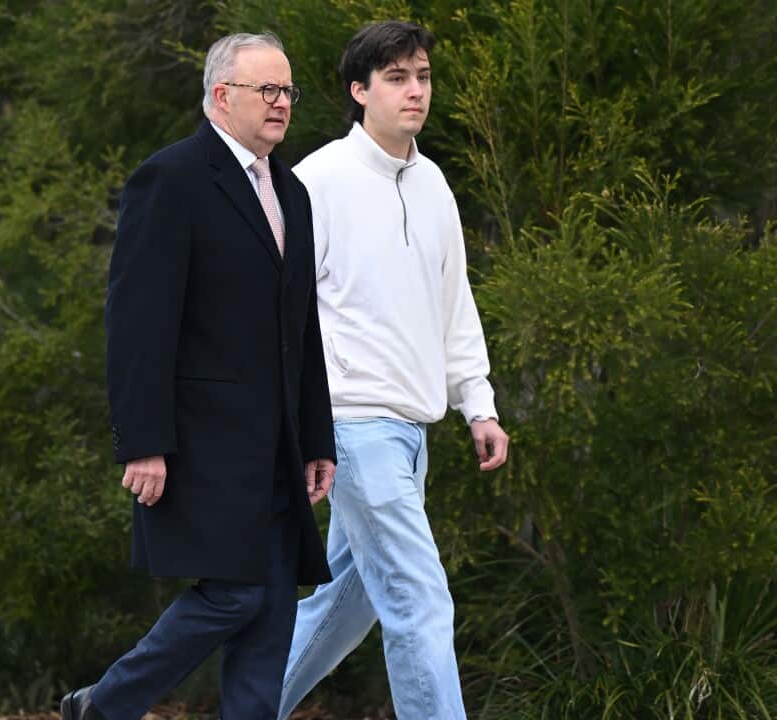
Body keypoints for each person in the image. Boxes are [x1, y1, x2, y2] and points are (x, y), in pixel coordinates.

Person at [60, 32, 336, 720]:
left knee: (273, 608)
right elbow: (138, 320)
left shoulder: (294, 193)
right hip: (201, 440)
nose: (281, 104)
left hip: (276, 445)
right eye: (266, 90)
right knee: (237, 594)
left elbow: (300, 328)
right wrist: (142, 440)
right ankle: (106, 705)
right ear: (221, 96)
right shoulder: (172, 178)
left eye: (287, 91)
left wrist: (317, 437)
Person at [276, 20, 509, 720]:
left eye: (424, 76)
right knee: (419, 598)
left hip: (411, 431)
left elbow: (453, 302)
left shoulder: (433, 184)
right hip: (350, 424)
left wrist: (479, 403)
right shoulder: (317, 181)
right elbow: (278, 312)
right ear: (359, 90)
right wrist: (296, 422)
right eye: (398, 78)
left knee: (342, 609)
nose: (415, 91)